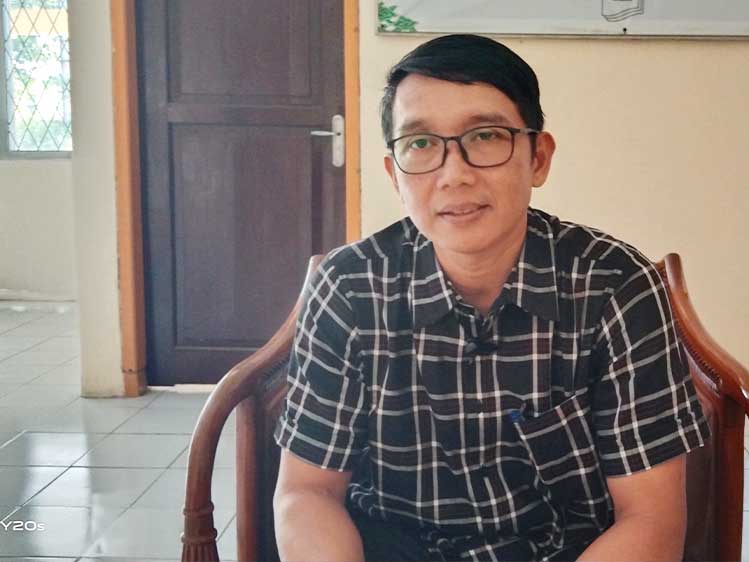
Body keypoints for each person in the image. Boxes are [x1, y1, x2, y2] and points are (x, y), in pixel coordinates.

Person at [272, 34, 709, 562]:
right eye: (420, 143)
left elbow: (651, 518)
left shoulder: (614, 287)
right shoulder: (349, 287)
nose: (453, 174)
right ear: (394, 174)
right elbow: (307, 492)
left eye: (485, 136)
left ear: (538, 157)